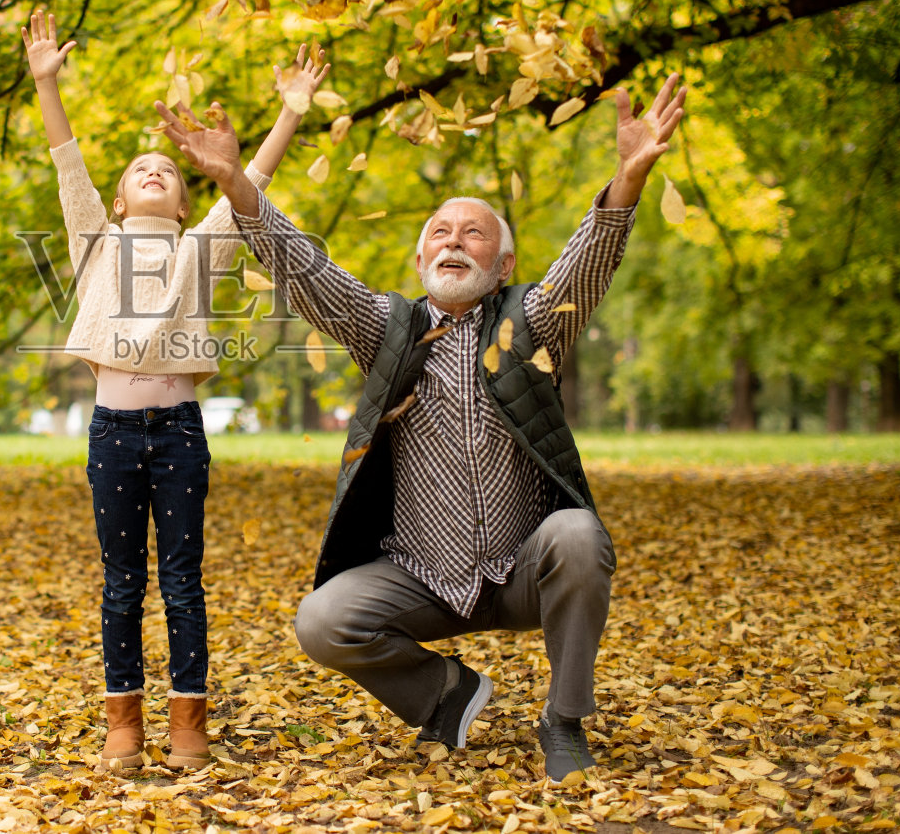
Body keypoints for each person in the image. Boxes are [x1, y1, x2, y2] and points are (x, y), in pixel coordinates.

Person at [159, 74, 687, 780]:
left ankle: (563, 720)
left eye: (474, 232)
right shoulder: (386, 328)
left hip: (521, 567)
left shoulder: (529, 324)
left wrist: (627, 179)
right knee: (321, 619)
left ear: (503, 265)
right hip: (422, 574)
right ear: (419, 260)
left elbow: (584, 267)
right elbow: (308, 272)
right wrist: (235, 184)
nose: (454, 240)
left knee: (581, 534)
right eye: (440, 231)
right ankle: (446, 694)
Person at [21, 9, 329, 771]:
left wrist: (289, 111)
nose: (153, 170)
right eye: (137, 170)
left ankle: (189, 719)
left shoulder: (202, 247)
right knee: (122, 582)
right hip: (114, 432)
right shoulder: (96, 241)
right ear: (120, 201)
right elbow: (68, 163)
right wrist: (46, 83)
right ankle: (122, 721)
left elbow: (250, 179)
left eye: (166, 169)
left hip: (180, 431)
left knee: (183, 582)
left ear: (187, 203)